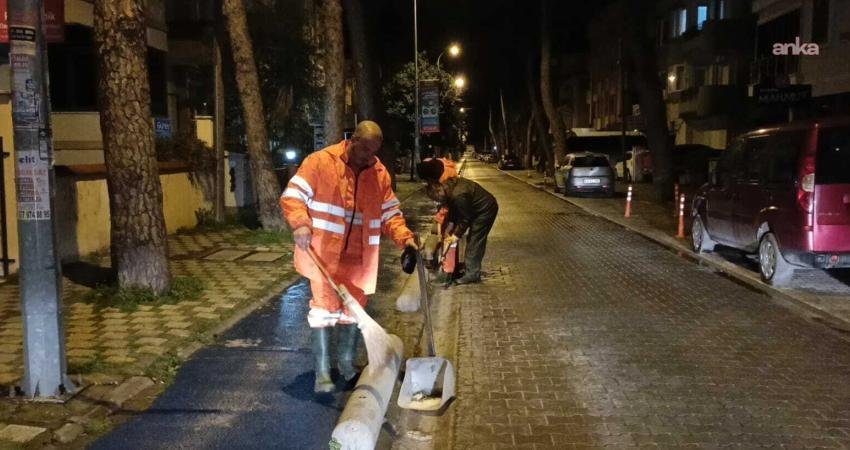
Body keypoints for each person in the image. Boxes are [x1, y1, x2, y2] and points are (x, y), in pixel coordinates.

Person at [281, 121, 416, 393]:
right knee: (323, 312)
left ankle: (345, 365)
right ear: (352, 139)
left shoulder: (379, 174)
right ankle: (322, 373)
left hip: (359, 260)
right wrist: (301, 223)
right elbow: (293, 196)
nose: (368, 156)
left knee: (352, 314)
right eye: (364, 148)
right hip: (324, 256)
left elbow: (391, 214)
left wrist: (406, 240)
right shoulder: (321, 162)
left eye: (373, 151)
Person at [419, 160, 498, 284]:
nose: (438, 202)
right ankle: (469, 268)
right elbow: (455, 214)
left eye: (437, 199)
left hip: (485, 210)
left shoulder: (458, 195)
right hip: (476, 209)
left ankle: (472, 274)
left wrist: (455, 236)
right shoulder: (448, 188)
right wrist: (449, 229)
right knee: (470, 238)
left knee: (474, 239)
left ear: (439, 191)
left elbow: (465, 218)